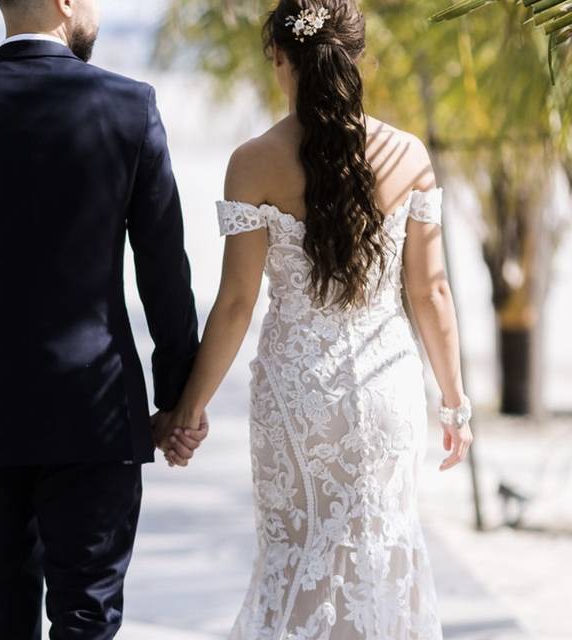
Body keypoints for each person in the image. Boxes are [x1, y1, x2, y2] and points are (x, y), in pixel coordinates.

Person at [0, 0, 203, 637]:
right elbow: (165, 270)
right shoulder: (130, 107)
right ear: (64, 3)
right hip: (97, 414)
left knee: (3, 621)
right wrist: (177, 402)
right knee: (88, 619)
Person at [157, 1, 474, 638]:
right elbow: (431, 291)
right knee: (380, 554)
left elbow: (237, 303)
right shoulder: (407, 154)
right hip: (385, 394)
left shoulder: (253, 162)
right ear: (356, 55)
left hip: (296, 395)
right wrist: (454, 401)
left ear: (280, 55)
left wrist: (188, 410)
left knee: (295, 556)